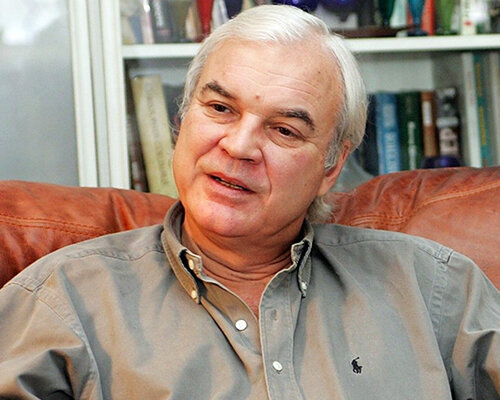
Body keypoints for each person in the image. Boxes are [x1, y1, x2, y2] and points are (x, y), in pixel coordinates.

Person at [0, 4, 498, 399]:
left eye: (284, 130)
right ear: (182, 120)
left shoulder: (436, 290)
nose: (238, 146)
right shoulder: (61, 302)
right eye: (220, 108)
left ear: (331, 166)